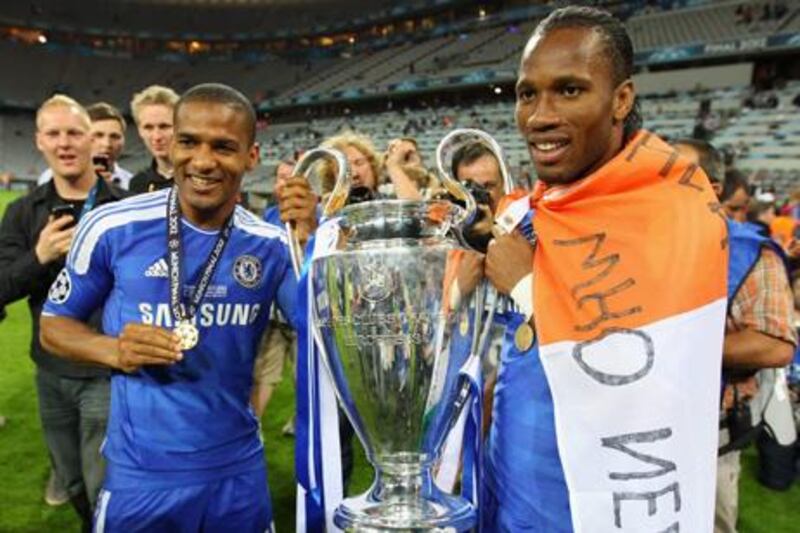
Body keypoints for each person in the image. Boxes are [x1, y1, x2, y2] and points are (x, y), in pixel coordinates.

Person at [483, 7, 729, 531]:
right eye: (528, 94)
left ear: (621, 99)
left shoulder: (671, 207)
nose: (539, 115)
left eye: (569, 90)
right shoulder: (540, 209)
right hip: (513, 488)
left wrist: (526, 286)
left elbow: (644, 374)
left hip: (597, 502)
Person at [40, 83, 297, 532]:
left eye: (223, 147)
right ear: (170, 145)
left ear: (251, 158)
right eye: (189, 142)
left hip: (236, 471)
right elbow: (54, 325)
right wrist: (114, 350)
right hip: (139, 476)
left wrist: (310, 244)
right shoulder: (112, 226)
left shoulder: (272, 245)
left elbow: (326, 330)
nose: (202, 161)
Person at [0, 95, 123, 530]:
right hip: (50, 372)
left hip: (105, 370)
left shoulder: (122, 209)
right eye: (54, 133)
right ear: (39, 142)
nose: (65, 142)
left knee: (102, 482)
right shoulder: (22, 213)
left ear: (93, 140)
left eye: (74, 132)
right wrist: (39, 256)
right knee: (71, 481)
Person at [674, 138, 796, 532]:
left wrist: (673, 346)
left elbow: (775, 344)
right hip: (638, 424)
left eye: (674, 176)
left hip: (711, 434)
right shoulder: (638, 243)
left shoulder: (748, 251)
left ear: (711, 187)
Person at [37, 102, 134, 190]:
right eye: (98, 135)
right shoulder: (52, 178)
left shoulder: (132, 183)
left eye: (115, 136)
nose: (106, 144)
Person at [127, 85, 179, 194]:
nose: (157, 137)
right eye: (148, 127)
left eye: (164, 126)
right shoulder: (138, 184)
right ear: (140, 131)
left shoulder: (199, 177)